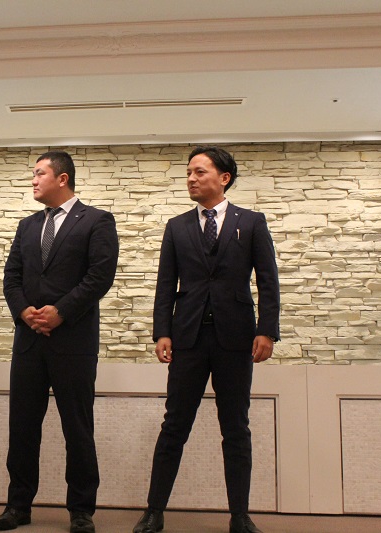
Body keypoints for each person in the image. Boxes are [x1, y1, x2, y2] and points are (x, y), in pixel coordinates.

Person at [133, 146, 280, 533]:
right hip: (188, 338)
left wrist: (267, 330)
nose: (191, 179)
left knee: (236, 429)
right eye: (189, 173)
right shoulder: (177, 226)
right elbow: (165, 284)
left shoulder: (252, 223)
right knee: (174, 426)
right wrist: (162, 332)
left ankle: (240, 516)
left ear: (224, 178)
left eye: (200, 172)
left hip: (236, 338)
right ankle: (154, 512)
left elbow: (268, 281)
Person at [0, 151, 119, 533]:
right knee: (22, 427)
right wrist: (24, 312)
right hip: (29, 341)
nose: (33, 180)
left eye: (39, 173)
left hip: (73, 342)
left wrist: (61, 312)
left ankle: (81, 510)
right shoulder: (27, 225)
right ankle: (17, 506)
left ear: (62, 178)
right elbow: (12, 277)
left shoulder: (97, 220)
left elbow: (100, 276)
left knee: (77, 429)